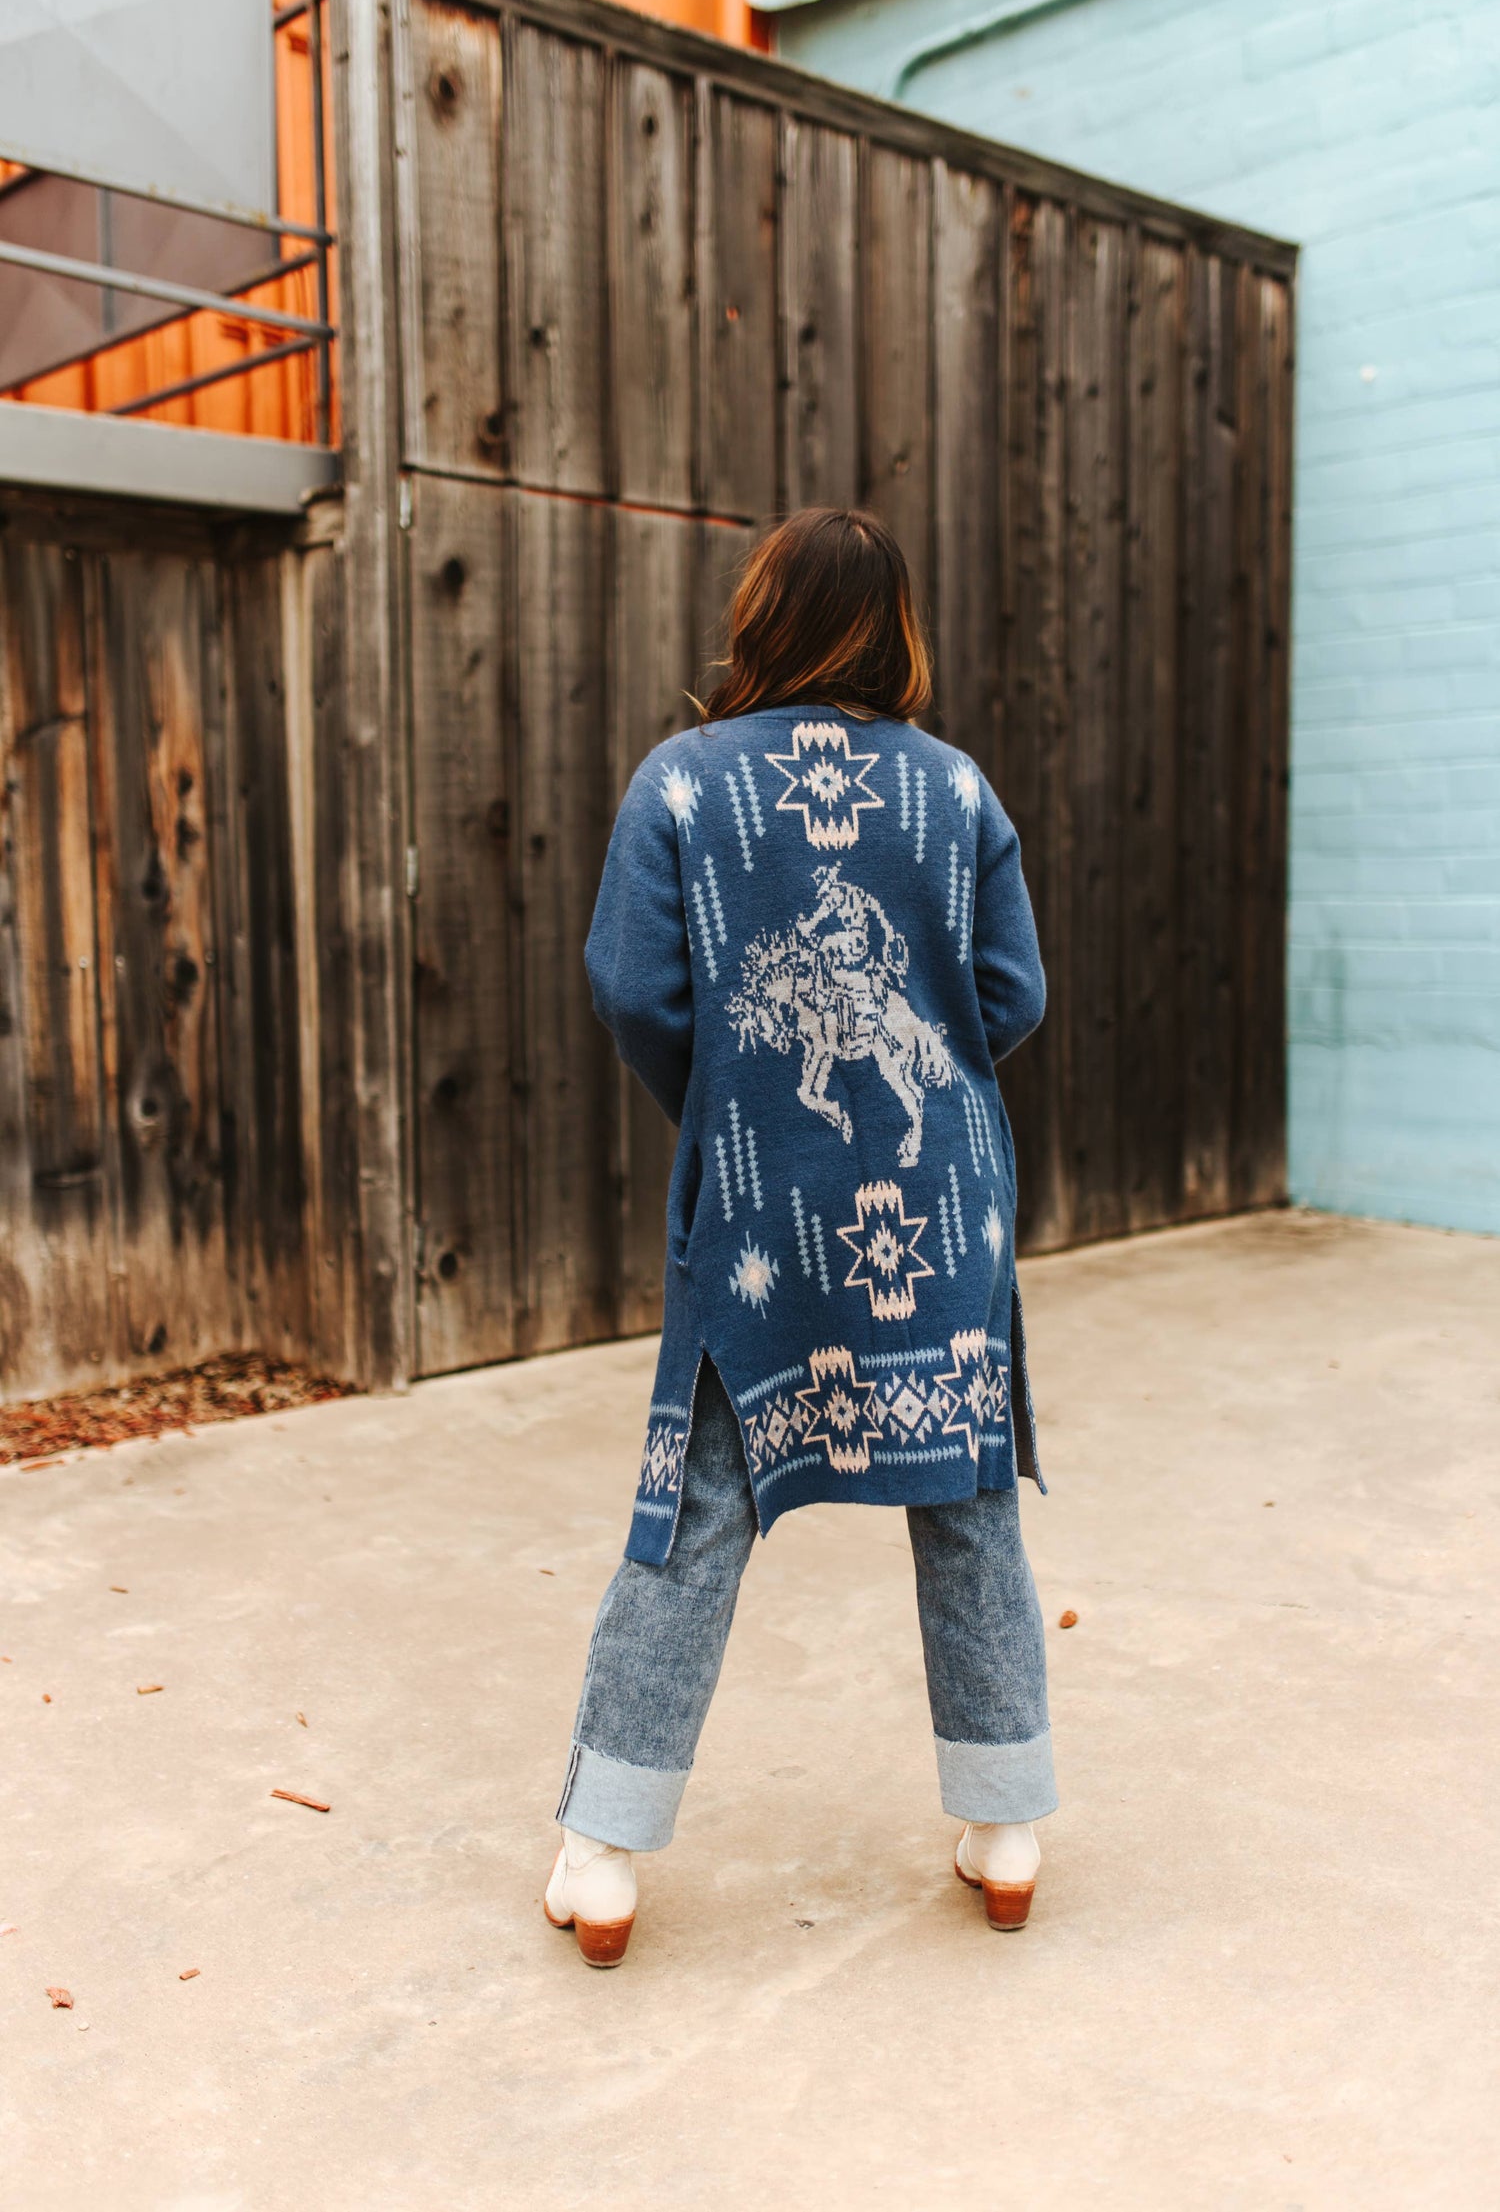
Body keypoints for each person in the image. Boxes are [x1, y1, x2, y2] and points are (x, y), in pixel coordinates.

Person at [544, 507, 1054, 1968]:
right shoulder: (956, 791)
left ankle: (602, 1859)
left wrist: (719, 1100)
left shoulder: (682, 785)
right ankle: (1006, 1828)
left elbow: (635, 988)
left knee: (694, 1513)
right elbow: (1008, 996)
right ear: (896, 629)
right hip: (938, 1210)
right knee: (968, 1499)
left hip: (761, 1211)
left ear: (759, 618)